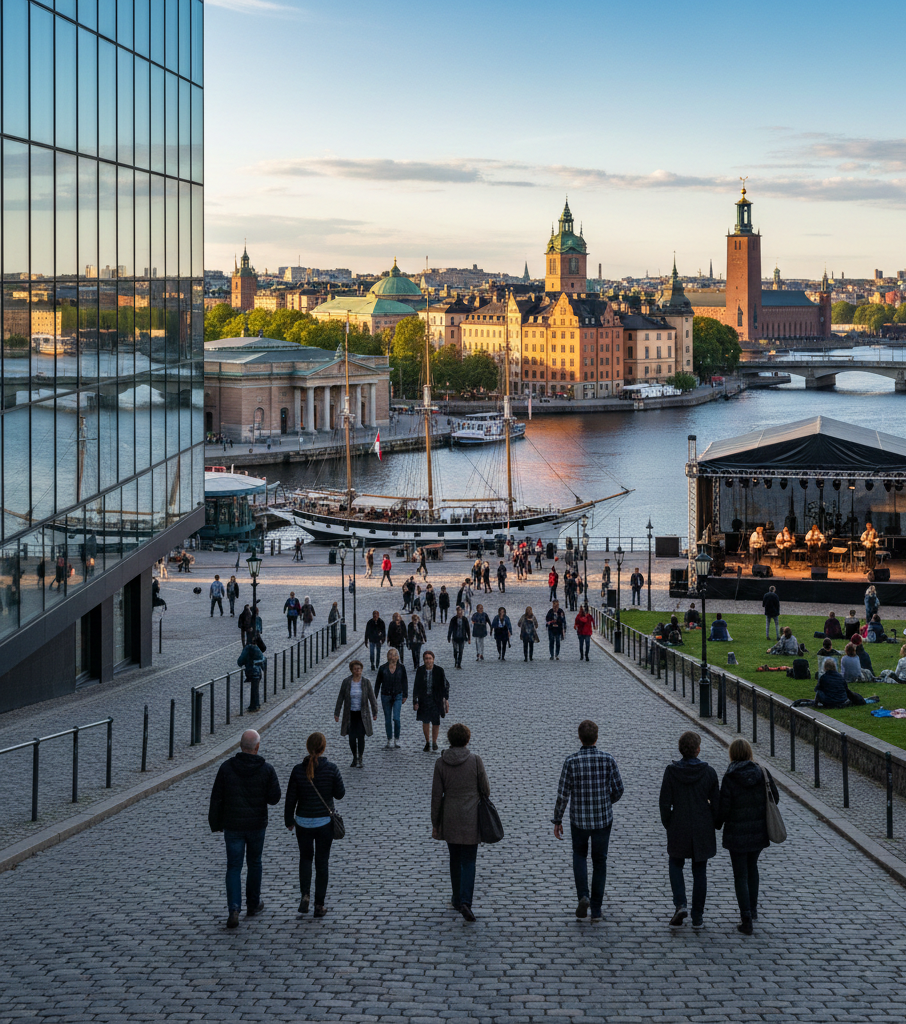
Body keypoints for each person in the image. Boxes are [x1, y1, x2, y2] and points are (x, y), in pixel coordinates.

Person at [552, 719, 624, 924]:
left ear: (579, 737)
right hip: (602, 819)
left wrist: (557, 819)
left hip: (579, 820)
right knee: (600, 861)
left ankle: (583, 895)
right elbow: (619, 789)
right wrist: (606, 801)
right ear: (597, 737)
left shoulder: (571, 762)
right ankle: (597, 909)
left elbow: (562, 794)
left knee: (579, 856)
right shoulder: (607, 760)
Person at [208, 729, 281, 929]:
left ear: (241, 746)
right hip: (256, 824)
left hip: (233, 825)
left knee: (233, 867)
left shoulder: (226, 768)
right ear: (257, 747)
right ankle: (253, 903)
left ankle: (233, 908)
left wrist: (215, 823)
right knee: (255, 863)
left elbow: (217, 798)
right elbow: (274, 798)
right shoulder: (266, 769)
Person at [716, 738, 779, 935]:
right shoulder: (762, 772)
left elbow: (724, 808)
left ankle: (745, 919)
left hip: (737, 833)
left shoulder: (730, 776)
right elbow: (774, 797)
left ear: (732, 754)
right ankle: (752, 909)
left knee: (740, 875)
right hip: (758, 831)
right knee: (752, 869)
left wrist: (716, 823)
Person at [658, 731, 720, 930]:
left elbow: (664, 803)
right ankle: (698, 916)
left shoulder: (671, 771)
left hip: (679, 824)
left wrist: (669, 823)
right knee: (699, 870)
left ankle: (680, 903)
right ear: (698, 749)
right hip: (702, 826)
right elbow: (717, 805)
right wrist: (715, 823)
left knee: (675, 864)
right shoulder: (709, 773)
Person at [431, 722, 490, 922]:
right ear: (467, 739)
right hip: (471, 818)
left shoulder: (441, 763)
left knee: (454, 859)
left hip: (450, 818)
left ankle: (456, 899)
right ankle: (466, 901)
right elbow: (486, 790)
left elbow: (436, 796)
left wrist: (435, 823)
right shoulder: (475, 761)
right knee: (469, 861)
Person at [283, 731, 345, 919]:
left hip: (302, 822)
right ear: (323, 748)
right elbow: (340, 793)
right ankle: (319, 905)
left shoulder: (297, 770)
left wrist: (288, 820)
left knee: (305, 859)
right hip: (324, 822)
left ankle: (305, 895)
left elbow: (290, 798)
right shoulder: (331, 769)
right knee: (322, 862)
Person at [334, 659, 378, 768]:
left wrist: (374, 712)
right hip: (350, 714)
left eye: (359, 669)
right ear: (352, 670)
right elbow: (340, 698)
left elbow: (372, 698)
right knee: (352, 737)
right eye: (355, 669)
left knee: (361, 737)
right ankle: (354, 756)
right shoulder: (346, 682)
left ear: (362, 670)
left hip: (362, 715)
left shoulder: (366, 682)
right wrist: (337, 713)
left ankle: (360, 757)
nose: (357, 671)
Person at [412, 650, 449, 752]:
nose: (428, 660)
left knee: (436, 721)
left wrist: (446, 699)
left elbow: (445, 685)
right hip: (424, 699)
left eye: (430, 658)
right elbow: (416, 686)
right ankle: (427, 742)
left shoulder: (439, 670)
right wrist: (415, 701)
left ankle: (434, 742)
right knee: (425, 721)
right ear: (424, 660)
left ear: (433, 659)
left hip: (435, 699)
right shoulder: (420, 670)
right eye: (426, 659)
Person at [375, 647, 409, 748]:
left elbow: (404, 681)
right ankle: (389, 738)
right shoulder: (382, 668)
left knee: (396, 718)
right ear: (387, 656)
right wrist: (374, 697)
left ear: (398, 657)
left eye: (394, 655)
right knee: (388, 719)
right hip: (385, 695)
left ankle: (397, 738)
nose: (392, 657)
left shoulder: (401, 668)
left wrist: (405, 695)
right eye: (390, 654)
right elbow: (378, 683)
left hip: (398, 695)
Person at [237, 636, 266, 712]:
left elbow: (240, 661)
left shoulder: (248, 648)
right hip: (258, 672)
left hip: (252, 671)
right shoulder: (257, 649)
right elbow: (263, 659)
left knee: (254, 689)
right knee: (255, 688)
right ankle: (254, 704)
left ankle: (255, 705)